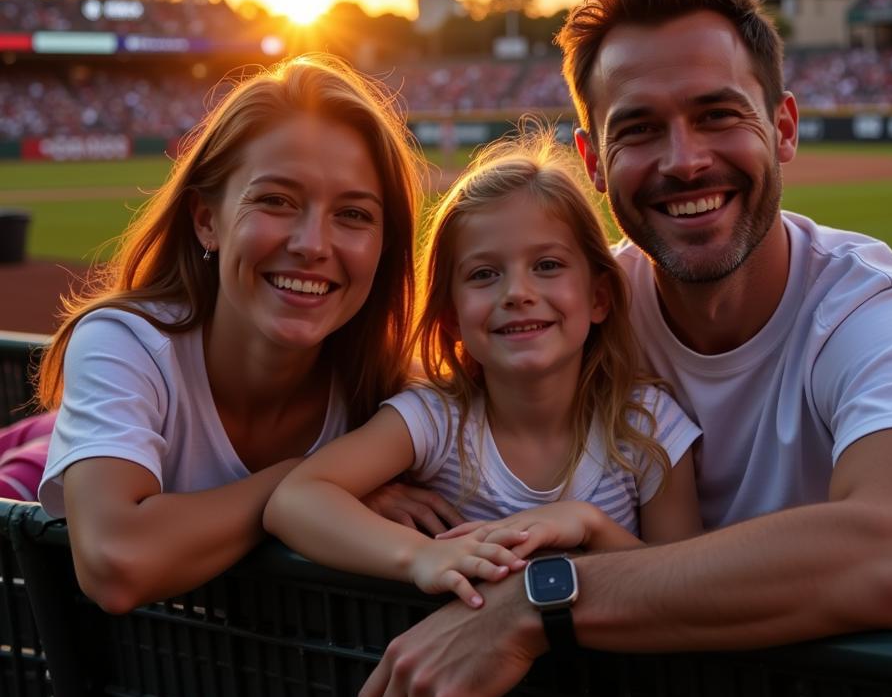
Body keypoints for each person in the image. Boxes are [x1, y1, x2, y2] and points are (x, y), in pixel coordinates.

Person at [355, 0, 892, 697]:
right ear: (596, 162)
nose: (684, 159)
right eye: (639, 129)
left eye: (718, 115)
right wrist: (384, 489)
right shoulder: (586, 307)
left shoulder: (871, 306)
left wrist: (542, 603)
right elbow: (434, 399)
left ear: (784, 128)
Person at [34, 53, 451, 613]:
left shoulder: (401, 396)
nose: (312, 244)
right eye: (276, 201)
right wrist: (312, 487)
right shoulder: (126, 344)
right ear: (207, 219)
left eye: (353, 215)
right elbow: (116, 561)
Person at [264, 132, 702, 608]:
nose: (516, 292)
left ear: (598, 297)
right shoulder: (436, 419)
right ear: (451, 316)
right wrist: (420, 557)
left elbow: (683, 591)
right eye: (484, 274)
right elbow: (295, 501)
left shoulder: (647, 426)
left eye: (548, 265)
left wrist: (590, 527)